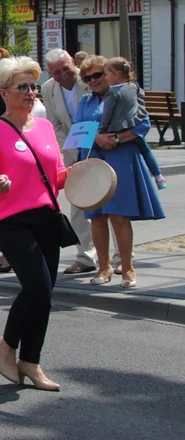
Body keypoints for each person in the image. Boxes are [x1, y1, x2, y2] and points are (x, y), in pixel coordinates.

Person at [0, 56, 68, 391]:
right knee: (37, 287)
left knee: (46, 295)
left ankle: (32, 362)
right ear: (3, 92)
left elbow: (54, 176)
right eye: (22, 87)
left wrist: (79, 177)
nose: (30, 93)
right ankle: (7, 346)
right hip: (11, 222)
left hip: (46, 218)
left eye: (33, 86)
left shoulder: (44, 128)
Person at [74, 55, 165, 289]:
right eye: (87, 77)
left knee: (119, 216)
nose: (93, 80)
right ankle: (103, 268)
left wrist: (114, 138)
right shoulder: (86, 100)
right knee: (96, 216)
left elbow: (143, 125)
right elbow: (78, 129)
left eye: (97, 74)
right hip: (94, 158)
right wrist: (98, 138)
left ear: (109, 73)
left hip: (121, 156)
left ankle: (127, 268)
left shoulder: (127, 93)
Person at [41, 49, 96, 275]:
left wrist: (92, 140)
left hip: (100, 147)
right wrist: (70, 145)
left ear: (73, 62)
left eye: (66, 68)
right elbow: (55, 124)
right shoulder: (48, 89)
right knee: (79, 205)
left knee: (111, 207)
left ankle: (120, 257)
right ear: (49, 73)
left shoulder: (92, 78)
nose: (63, 74)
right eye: (56, 72)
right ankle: (86, 257)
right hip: (72, 151)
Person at [100, 57, 167, 189]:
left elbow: (108, 113)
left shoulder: (113, 93)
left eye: (106, 74)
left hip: (118, 127)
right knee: (146, 150)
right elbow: (140, 100)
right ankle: (159, 176)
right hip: (135, 123)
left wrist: (103, 129)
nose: (105, 78)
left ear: (116, 75)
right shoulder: (134, 86)